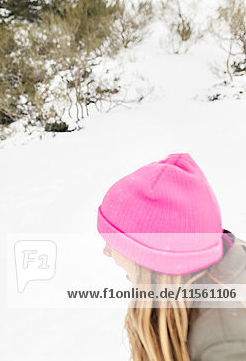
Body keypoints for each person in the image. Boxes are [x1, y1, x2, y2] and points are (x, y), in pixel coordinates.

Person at [97, 153, 246, 361]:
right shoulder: (223, 262)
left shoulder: (226, 344)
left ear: (153, 258)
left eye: (115, 242)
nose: (106, 251)